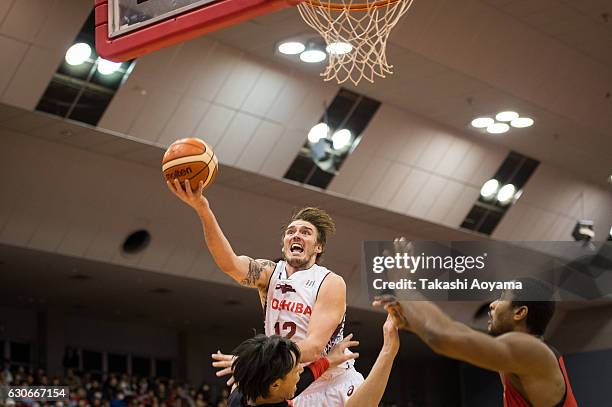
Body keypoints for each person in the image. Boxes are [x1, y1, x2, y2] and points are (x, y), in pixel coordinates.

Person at [168, 179, 362, 406]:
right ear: (284, 244)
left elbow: (313, 348)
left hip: (332, 383)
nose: (297, 235)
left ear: (318, 247)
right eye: (291, 232)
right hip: (288, 385)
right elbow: (230, 264)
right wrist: (203, 208)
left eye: (306, 232)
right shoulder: (269, 274)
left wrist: (256, 362)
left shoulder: (330, 282)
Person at [375, 276, 579, 407]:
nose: (492, 304)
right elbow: (454, 333)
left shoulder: (532, 351)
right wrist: (414, 322)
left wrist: (403, 283)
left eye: (502, 297)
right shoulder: (520, 353)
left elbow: (444, 337)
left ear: (520, 312)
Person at [226, 313, 400, 407]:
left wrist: (327, 362)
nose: (302, 369)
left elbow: (288, 389)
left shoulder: (241, 392)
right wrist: (388, 351)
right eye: (296, 369)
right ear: (275, 384)